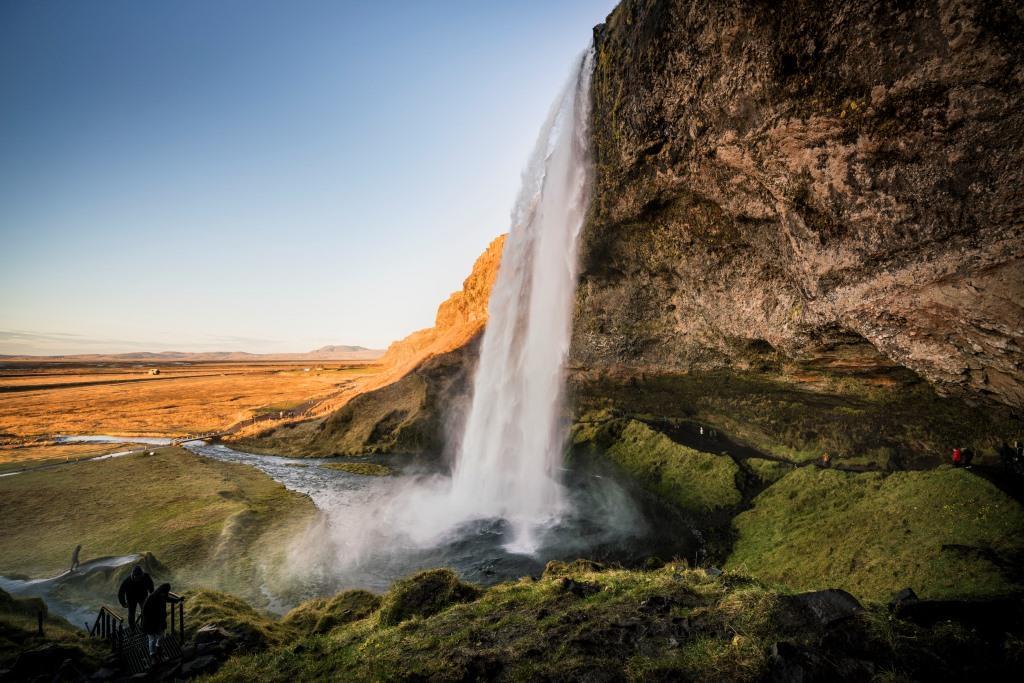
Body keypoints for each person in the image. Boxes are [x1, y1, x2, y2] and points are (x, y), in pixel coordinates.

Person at [140, 583, 181, 663]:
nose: (165, 594)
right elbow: (145, 611)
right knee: (152, 639)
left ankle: (159, 650)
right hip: (150, 622)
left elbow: (168, 599)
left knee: (160, 636)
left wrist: (177, 600)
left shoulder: (162, 595)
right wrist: (151, 618)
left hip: (159, 621)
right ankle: (153, 656)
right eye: (166, 592)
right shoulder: (152, 597)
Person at [118, 565, 155, 631]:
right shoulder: (127, 581)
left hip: (142, 596)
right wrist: (123, 603)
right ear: (133, 575)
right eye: (137, 577)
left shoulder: (145, 576)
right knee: (131, 613)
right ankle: (132, 628)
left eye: (140, 577)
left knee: (145, 611)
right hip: (131, 599)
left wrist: (151, 593)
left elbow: (150, 585)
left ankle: (143, 626)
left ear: (141, 575)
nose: (138, 579)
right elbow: (121, 593)